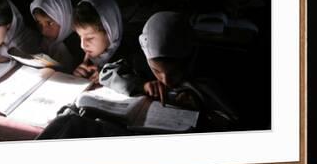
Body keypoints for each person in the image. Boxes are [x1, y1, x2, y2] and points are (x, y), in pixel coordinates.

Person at [100, 11, 238, 130]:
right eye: (156, 71)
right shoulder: (140, 61)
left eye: (174, 72)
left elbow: (230, 117)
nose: (165, 80)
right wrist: (141, 85)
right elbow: (107, 73)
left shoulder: (208, 69)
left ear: (189, 59)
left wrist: (198, 99)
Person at [72, 0, 123, 81]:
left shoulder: (131, 60)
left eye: (90, 38)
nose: (82, 45)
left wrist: (108, 78)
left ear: (111, 31)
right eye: (80, 36)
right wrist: (76, 77)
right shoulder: (79, 56)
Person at [30, 0, 76, 71]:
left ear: (63, 17)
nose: (43, 31)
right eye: (39, 23)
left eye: (50, 23)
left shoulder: (76, 45)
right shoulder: (46, 41)